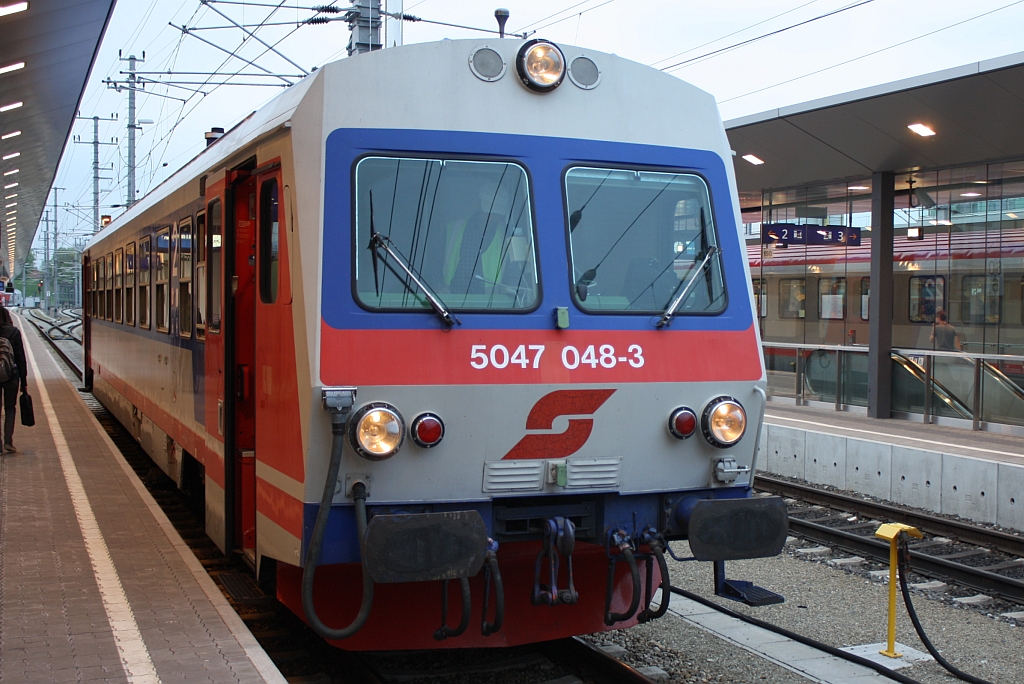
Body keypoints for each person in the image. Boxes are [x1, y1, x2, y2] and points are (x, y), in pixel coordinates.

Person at [0, 307, 27, 452]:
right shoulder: (14, 332)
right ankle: (8, 442)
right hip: (12, 376)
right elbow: (21, 358)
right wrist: (24, 382)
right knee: (10, 408)